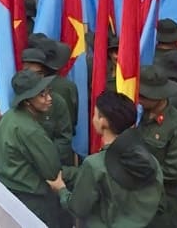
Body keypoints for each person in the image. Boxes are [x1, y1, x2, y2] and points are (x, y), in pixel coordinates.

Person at [48, 91, 163, 227]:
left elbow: (78, 208)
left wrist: (61, 189)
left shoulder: (94, 164)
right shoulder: (152, 161)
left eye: (95, 115)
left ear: (103, 121)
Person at [0, 70, 62, 225]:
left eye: (48, 92)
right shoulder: (30, 130)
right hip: (34, 200)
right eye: (42, 95)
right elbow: (52, 171)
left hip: (11, 192)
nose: (49, 98)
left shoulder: (9, 117)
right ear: (27, 102)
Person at [136, 65, 177, 228]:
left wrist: (138, 173)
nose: (139, 99)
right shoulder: (139, 115)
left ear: (159, 96)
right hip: (136, 200)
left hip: (163, 203)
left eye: (144, 96)